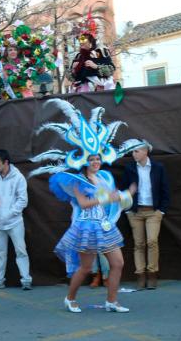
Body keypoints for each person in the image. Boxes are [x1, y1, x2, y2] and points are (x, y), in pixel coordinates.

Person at [30, 99, 143, 313]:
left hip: (104, 225)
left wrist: (125, 195)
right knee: (86, 268)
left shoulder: (104, 177)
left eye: (97, 158)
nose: (95, 162)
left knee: (117, 263)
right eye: (91, 159)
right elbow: (83, 204)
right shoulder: (78, 181)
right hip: (86, 227)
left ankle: (112, 300)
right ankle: (70, 298)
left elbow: (112, 198)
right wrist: (107, 199)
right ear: (84, 161)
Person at [123, 140, 170, 290]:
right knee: (138, 244)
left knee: (152, 241)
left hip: (153, 212)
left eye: (136, 151)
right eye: (132, 151)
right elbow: (124, 190)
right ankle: (140, 275)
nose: (133, 154)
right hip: (135, 212)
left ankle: (152, 274)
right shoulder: (129, 168)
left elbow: (165, 190)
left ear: (145, 152)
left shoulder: (158, 168)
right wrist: (128, 210)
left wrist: (161, 211)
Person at [0, 149, 32, 290]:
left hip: (15, 222)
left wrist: (9, 214)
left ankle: (26, 280)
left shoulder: (18, 178)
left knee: (21, 251)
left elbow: (23, 201)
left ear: (6, 162)